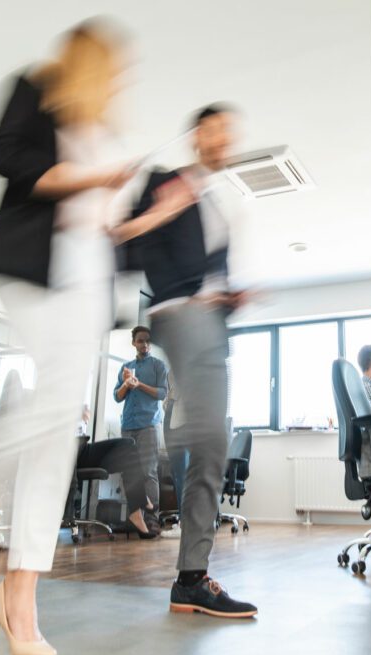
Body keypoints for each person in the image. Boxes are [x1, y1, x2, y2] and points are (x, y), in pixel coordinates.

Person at [0, 21, 136, 655]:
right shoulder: (37, 90)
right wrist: (81, 179)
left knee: (58, 429)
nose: (118, 79)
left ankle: (18, 592)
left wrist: (117, 203)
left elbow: (100, 220)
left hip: (90, 279)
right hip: (40, 270)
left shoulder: (105, 131)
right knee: (50, 418)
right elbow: (7, 159)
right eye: (111, 66)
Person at [108, 104, 257, 618]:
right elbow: (123, 247)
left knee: (212, 442)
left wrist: (233, 297)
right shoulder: (166, 182)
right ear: (197, 135)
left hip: (211, 327)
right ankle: (191, 574)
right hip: (180, 316)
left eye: (229, 132)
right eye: (215, 129)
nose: (224, 139)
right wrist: (158, 211)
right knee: (211, 437)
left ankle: (191, 578)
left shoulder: (217, 203)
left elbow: (209, 278)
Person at [113, 325, 168, 534]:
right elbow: (117, 397)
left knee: (148, 473)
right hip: (127, 426)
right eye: (140, 341)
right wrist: (127, 383)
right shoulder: (126, 367)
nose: (144, 344)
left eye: (147, 341)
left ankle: (152, 519)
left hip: (148, 426)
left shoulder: (158, 366)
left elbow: (162, 393)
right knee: (130, 475)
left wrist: (139, 385)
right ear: (133, 343)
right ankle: (135, 518)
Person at [161, 370, 189, 539]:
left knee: (182, 475)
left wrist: (169, 399)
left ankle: (185, 524)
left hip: (181, 421)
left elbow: (178, 391)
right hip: (175, 418)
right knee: (180, 474)